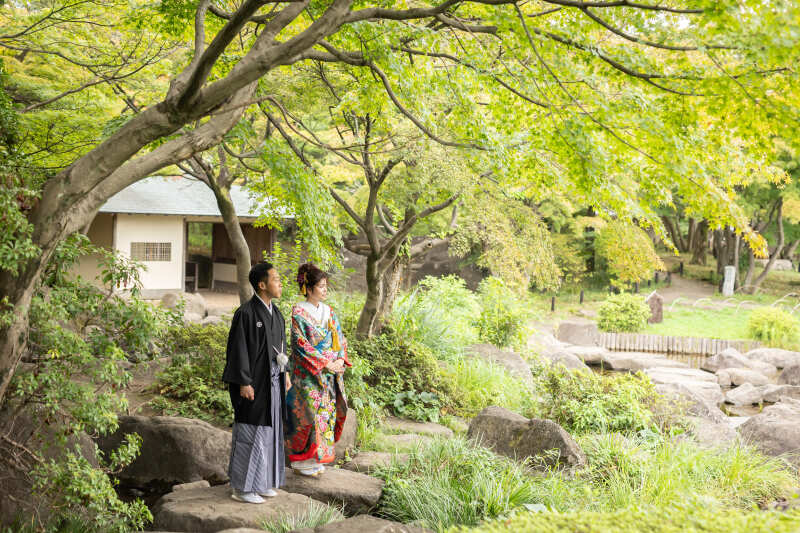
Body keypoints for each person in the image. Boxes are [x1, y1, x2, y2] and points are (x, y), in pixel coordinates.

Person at [222, 262, 289, 504]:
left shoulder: (276, 313)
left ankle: (262, 482)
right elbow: (237, 350)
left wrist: (286, 374)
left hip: (272, 380)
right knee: (251, 431)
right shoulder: (246, 313)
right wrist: (243, 382)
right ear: (262, 285)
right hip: (252, 383)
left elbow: (281, 348)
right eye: (276, 279)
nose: (280, 283)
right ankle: (242, 488)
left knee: (270, 431)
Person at [285, 262, 351, 476]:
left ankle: (317, 458)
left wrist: (340, 359)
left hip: (329, 375)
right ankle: (301, 462)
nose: (325, 290)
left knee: (326, 416)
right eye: (321, 286)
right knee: (308, 415)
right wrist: (325, 363)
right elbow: (300, 344)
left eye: (326, 286)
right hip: (309, 375)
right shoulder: (299, 311)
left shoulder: (329, 312)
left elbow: (339, 338)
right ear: (309, 288)